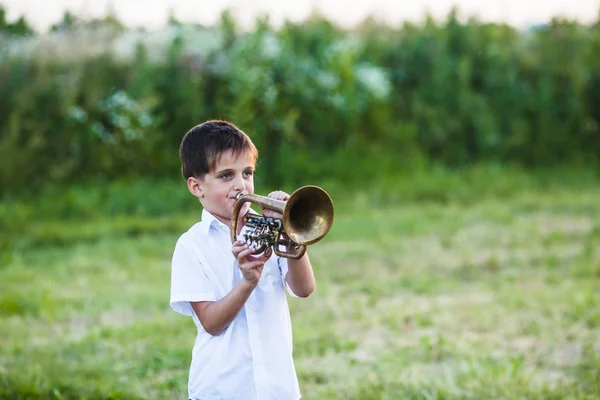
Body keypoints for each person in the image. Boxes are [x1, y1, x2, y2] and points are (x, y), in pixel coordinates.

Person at [169, 120, 316, 400]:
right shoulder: (191, 245)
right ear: (196, 187)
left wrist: (291, 233)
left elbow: (304, 288)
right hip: (222, 388)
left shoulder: (270, 229)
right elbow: (211, 322)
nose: (241, 185)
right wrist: (247, 282)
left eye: (247, 173)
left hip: (277, 387)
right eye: (226, 176)